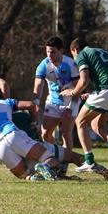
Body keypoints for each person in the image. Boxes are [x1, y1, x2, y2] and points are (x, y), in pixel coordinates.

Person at [60, 38, 108, 179]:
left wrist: (72, 92)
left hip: (107, 91)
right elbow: (106, 76)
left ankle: (89, 161)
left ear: (75, 50)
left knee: (80, 122)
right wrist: (92, 94)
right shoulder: (101, 51)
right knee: (97, 124)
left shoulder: (82, 54)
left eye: (73, 56)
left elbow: (83, 80)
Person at [33, 36, 80, 175]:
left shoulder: (71, 64)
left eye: (53, 52)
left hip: (70, 102)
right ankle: (58, 156)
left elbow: (79, 88)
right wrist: (36, 103)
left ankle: (64, 166)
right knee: (46, 134)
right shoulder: (44, 65)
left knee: (66, 133)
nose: (49, 55)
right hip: (53, 103)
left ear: (61, 51)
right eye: (47, 52)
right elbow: (38, 86)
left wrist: (71, 107)